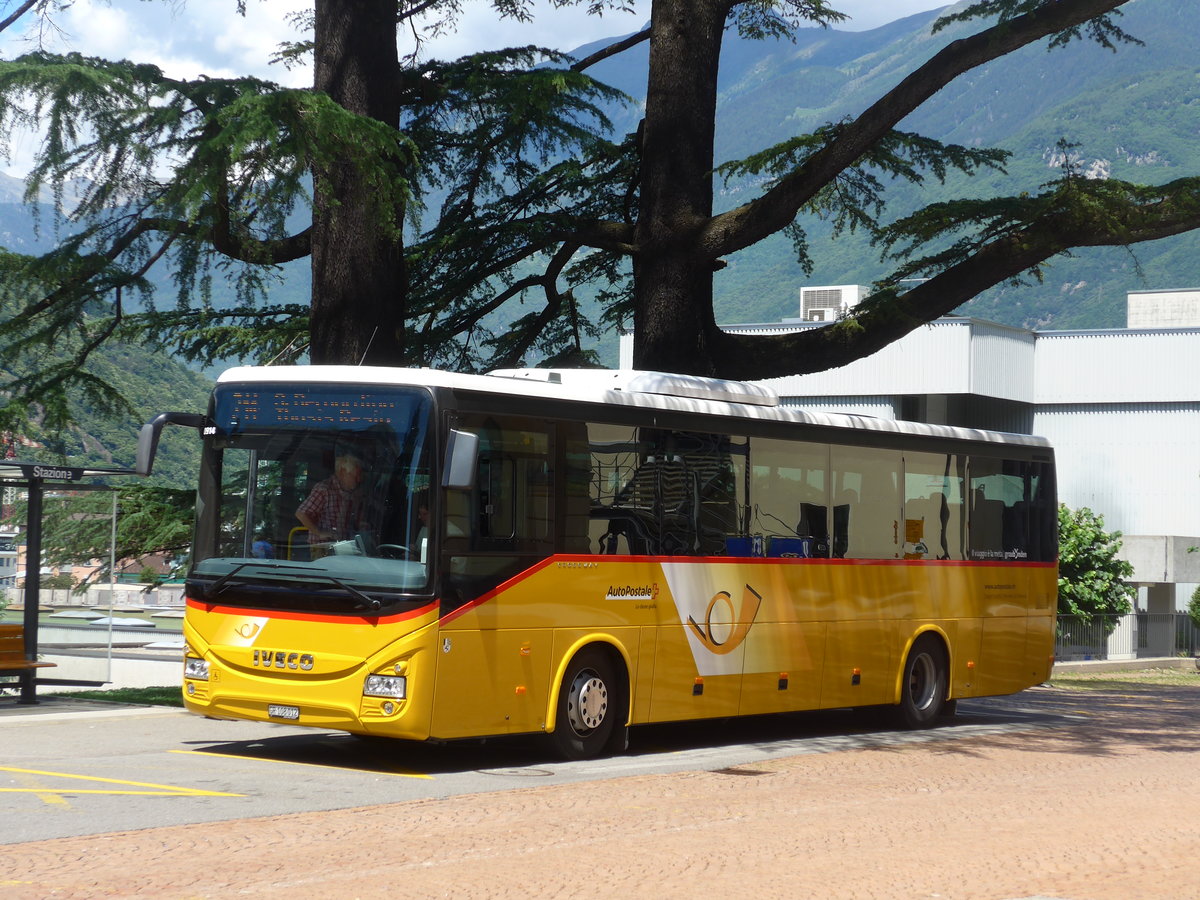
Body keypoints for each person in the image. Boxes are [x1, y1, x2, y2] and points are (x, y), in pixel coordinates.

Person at [296, 451, 365, 545]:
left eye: (360, 476)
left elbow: (356, 523)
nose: (359, 480)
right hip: (322, 548)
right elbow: (301, 514)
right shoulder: (324, 489)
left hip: (343, 547)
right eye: (355, 475)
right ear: (342, 472)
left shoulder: (352, 494)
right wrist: (319, 533)